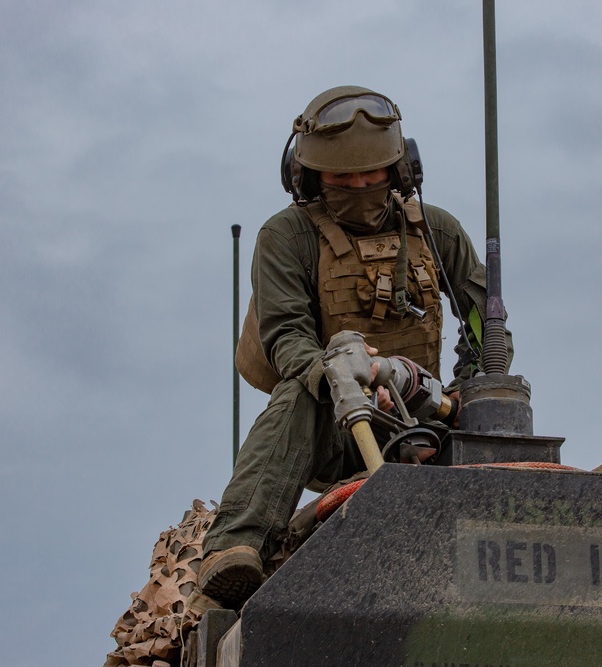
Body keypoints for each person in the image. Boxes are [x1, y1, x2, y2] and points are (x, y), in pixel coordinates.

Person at [199, 85, 510, 609]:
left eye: (372, 174)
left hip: (426, 425)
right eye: (342, 178)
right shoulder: (287, 236)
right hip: (335, 424)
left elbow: (484, 322)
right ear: (308, 178)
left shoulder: (438, 231)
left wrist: (461, 393)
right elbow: (287, 336)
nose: (360, 186)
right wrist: (348, 379)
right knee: (298, 393)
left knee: (498, 409)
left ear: (400, 170)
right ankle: (235, 544)